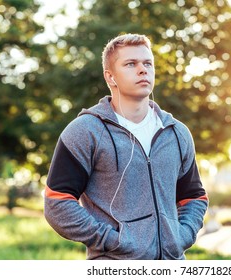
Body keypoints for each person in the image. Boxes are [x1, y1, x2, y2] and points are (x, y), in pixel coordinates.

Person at [44, 33, 208, 260]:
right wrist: (112, 240)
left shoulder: (177, 132)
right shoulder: (86, 131)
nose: (142, 70)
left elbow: (194, 197)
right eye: (131, 64)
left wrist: (182, 235)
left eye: (147, 63)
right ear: (110, 77)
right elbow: (57, 202)